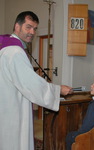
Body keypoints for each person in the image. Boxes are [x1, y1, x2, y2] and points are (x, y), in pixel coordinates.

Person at [0, 11, 72, 150]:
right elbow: (30, 84)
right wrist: (57, 90)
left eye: (35, 28)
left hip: (5, 102)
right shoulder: (15, 52)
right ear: (17, 26)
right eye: (28, 27)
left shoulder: (5, 48)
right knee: (14, 142)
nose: (32, 32)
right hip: (12, 108)